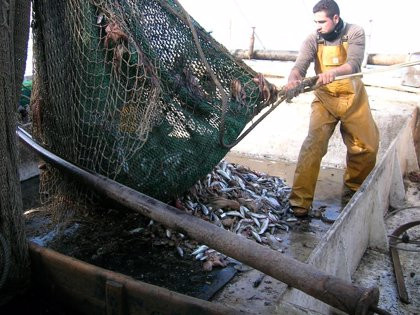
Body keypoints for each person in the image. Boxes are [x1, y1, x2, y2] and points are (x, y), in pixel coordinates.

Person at [285, 0, 379, 218]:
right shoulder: (312, 39)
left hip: (353, 98)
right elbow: (299, 67)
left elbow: (354, 64)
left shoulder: (355, 32)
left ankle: (352, 193)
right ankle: (299, 202)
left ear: (335, 18)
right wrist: (293, 80)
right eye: (315, 21)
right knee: (313, 146)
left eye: (322, 21)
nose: (317, 26)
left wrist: (334, 73)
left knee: (367, 148)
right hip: (324, 99)